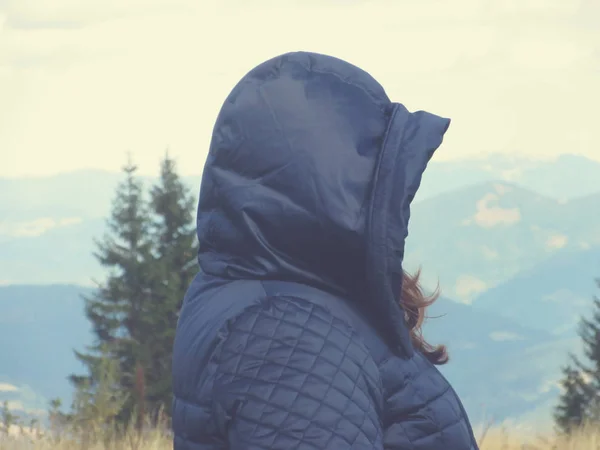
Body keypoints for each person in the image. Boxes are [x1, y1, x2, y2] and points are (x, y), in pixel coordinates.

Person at [172, 52, 479, 449]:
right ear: (333, 188)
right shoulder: (287, 338)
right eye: (378, 180)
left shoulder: (269, 298)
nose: (394, 207)